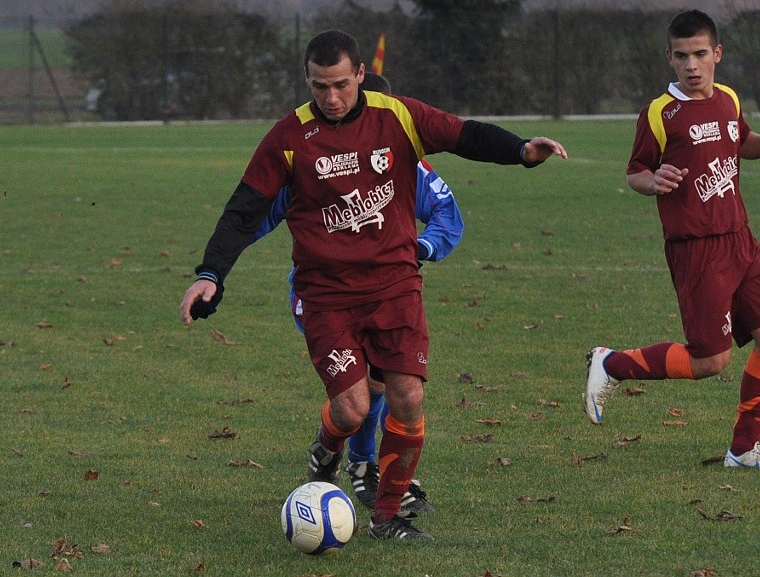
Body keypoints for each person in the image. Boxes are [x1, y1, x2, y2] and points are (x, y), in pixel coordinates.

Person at [180, 29, 567, 541]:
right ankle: (326, 448)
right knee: (354, 407)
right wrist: (211, 274)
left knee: (407, 398)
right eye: (319, 87)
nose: (332, 98)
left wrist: (520, 150)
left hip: (394, 288)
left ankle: (386, 516)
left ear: (360, 74)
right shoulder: (289, 138)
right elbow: (245, 209)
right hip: (326, 296)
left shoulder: (397, 115)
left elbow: (463, 134)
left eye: (341, 84)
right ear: (307, 81)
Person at [583, 9, 760, 470]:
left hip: (740, 239)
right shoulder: (660, 114)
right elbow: (636, 172)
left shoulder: (727, 100)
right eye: (682, 57)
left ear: (717, 54)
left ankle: (742, 451)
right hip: (696, 248)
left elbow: (739, 140)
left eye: (700, 54)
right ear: (670, 58)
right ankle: (611, 364)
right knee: (710, 361)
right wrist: (653, 178)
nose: (692, 65)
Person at [252, 72, 463, 517]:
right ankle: (359, 463)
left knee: (389, 384)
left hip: (386, 290)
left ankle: (369, 473)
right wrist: (218, 265)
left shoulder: (408, 160)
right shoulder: (310, 159)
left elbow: (447, 212)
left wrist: (422, 247)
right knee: (365, 388)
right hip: (324, 294)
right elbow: (257, 212)